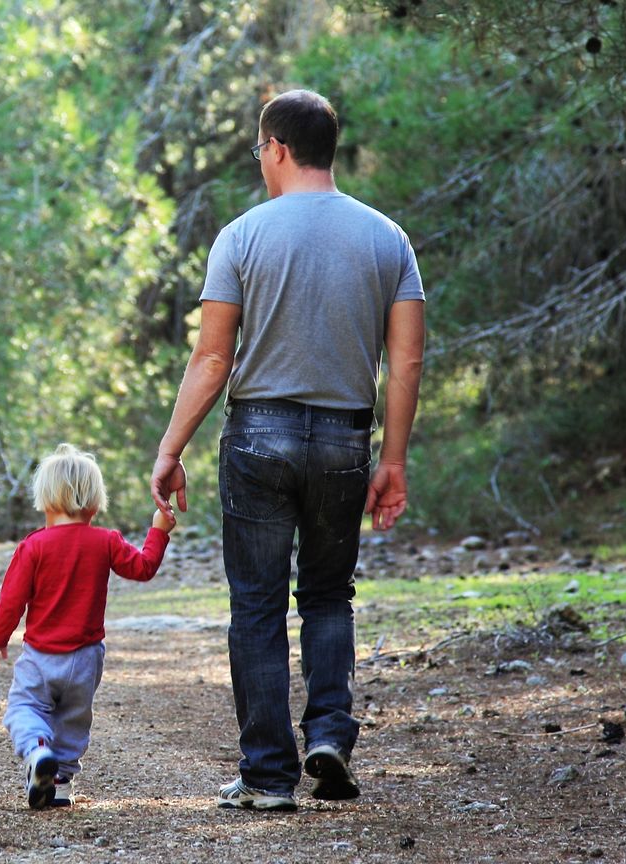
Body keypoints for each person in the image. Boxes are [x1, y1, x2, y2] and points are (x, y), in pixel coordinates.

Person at [150, 89, 425, 811]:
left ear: (276, 147)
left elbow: (212, 362)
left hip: (258, 436)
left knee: (258, 606)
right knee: (330, 596)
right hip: (344, 437)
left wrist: (170, 447)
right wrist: (391, 460)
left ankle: (269, 776)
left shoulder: (240, 236)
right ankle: (331, 732)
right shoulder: (388, 239)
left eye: (258, 150)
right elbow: (407, 364)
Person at [0, 443, 176, 809]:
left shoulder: (34, 546)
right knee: (73, 721)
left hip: (41, 656)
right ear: (94, 500)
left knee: (23, 709)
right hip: (87, 658)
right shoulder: (105, 541)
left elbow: (11, 600)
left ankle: (38, 750)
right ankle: (58, 785)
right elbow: (143, 568)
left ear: (46, 498)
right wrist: (158, 531)